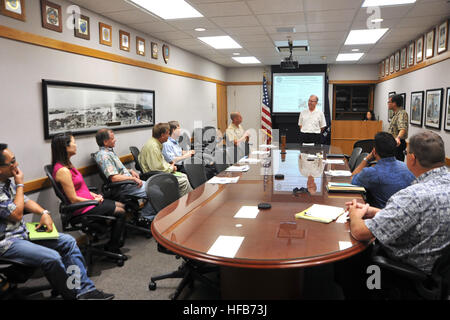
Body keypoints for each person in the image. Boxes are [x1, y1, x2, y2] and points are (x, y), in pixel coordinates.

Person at [339, 131, 450, 298]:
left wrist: (355, 213)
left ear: (412, 159)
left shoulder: (412, 195)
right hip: (438, 273)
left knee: (348, 262)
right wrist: (373, 211)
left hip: (405, 272)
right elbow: (414, 216)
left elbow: (360, 232)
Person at [0, 143, 114, 300]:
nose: (16, 164)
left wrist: (44, 212)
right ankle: (72, 295)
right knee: (52, 257)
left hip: (22, 233)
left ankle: (84, 290)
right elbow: (16, 214)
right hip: (7, 242)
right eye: (12, 162)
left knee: (68, 242)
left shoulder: (6, 182)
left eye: (15, 160)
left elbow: (25, 201)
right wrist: (20, 184)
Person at [51, 133, 126, 255]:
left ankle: (106, 237)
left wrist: (93, 195)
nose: (76, 145)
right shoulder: (63, 170)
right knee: (120, 212)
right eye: (73, 142)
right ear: (65, 147)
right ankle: (112, 246)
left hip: (88, 202)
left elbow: (80, 188)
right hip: (81, 208)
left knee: (121, 206)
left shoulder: (68, 165)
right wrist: (94, 200)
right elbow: (73, 199)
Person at [94, 129, 156, 228]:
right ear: (105, 142)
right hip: (124, 186)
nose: (115, 140)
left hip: (129, 183)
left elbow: (115, 170)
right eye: (113, 138)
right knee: (156, 192)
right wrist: (132, 179)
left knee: (157, 188)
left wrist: (130, 171)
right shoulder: (104, 156)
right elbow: (113, 178)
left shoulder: (108, 152)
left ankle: (147, 215)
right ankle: (145, 217)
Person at [351, 132, 415, 209]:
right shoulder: (408, 168)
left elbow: (352, 180)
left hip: (380, 216)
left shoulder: (371, 173)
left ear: (374, 151)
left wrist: (367, 159)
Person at [139, 123, 193, 197]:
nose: (169, 136)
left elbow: (160, 162)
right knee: (183, 180)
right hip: (155, 176)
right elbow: (157, 168)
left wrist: (170, 166)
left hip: (157, 173)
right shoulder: (153, 147)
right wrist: (171, 168)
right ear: (162, 135)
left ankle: (184, 200)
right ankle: (187, 202)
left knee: (184, 176)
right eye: (167, 134)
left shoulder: (154, 143)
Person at [387, 94, 408, 161]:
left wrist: (398, 138)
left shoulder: (402, 113)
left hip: (398, 144)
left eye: (389, 102)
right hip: (393, 143)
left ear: (394, 103)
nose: (388, 103)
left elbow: (403, 128)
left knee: (396, 166)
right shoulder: (396, 114)